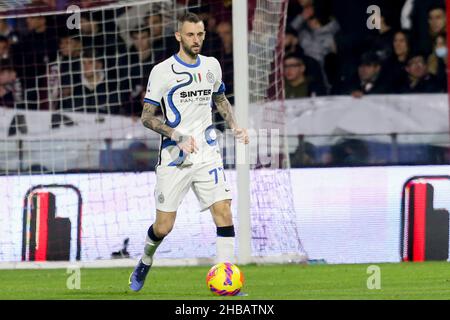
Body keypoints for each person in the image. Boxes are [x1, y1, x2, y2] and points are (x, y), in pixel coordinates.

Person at [129, 12, 249, 292]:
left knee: (224, 212)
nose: (197, 40)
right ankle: (146, 259)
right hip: (174, 158)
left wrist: (234, 126)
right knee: (163, 227)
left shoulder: (212, 66)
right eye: (191, 35)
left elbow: (219, 98)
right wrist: (176, 134)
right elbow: (146, 117)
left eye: (201, 34)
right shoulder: (162, 71)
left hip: (207, 153)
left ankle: (227, 280)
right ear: (178, 36)